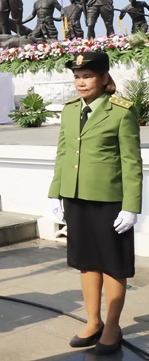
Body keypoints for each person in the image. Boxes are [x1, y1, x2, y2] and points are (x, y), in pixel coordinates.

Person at [48, 52, 142, 356]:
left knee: (113, 264)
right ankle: (93, 321)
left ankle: (112, 327)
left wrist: (131, 206)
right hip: (75, 198)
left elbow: (131, 163)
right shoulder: (70, 110)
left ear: (104, 78)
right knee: (86, 262)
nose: (81, 82)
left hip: (109, 201)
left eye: (87, 76)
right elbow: (63, 153)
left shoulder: (121, 112)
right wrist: (55, 193)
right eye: (77, 76)